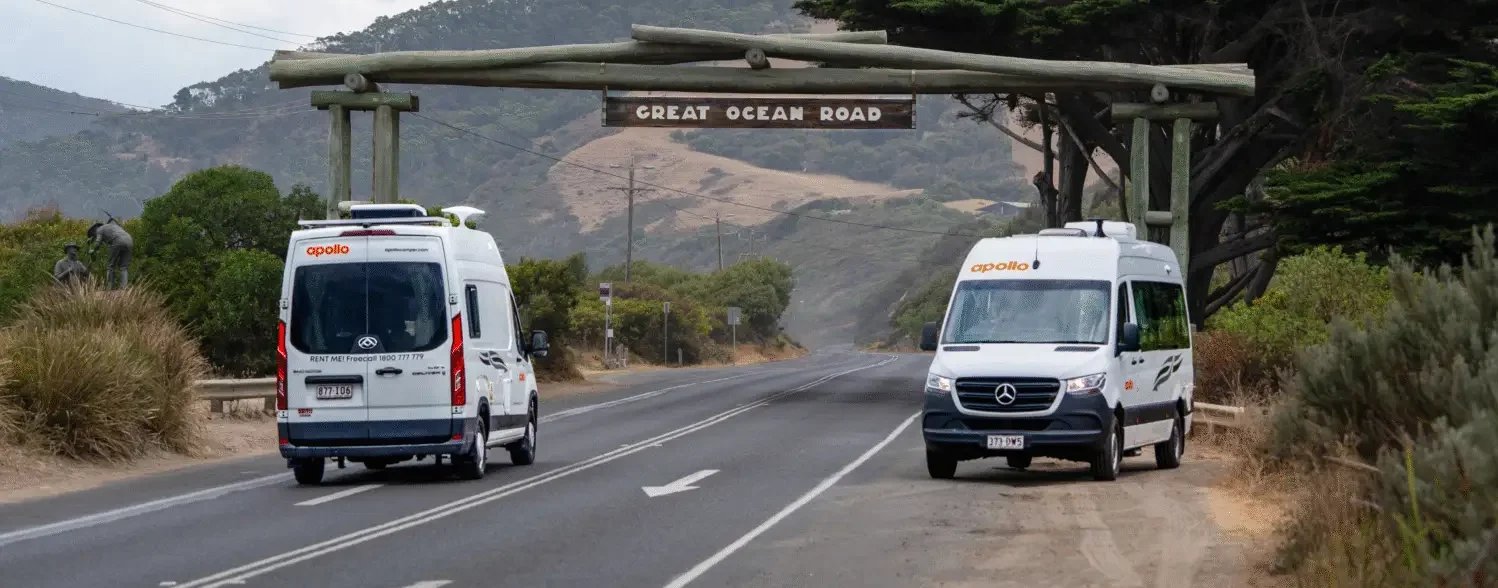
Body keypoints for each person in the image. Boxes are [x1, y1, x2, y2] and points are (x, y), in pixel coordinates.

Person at [87, 220, 133, 289]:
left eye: (92, 234)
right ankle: (124, 287)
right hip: (129, 240)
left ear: (94, 230)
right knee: (123, 267)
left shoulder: (99, 230)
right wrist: (92, 239)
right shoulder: (110, 227)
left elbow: (97, 243)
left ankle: (110, 287)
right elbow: (98, 237)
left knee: (110, 265)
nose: (93, 235)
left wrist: (93, 250)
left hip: (118, 241)